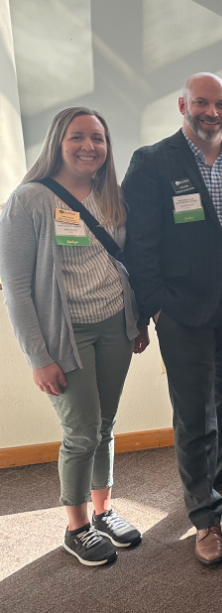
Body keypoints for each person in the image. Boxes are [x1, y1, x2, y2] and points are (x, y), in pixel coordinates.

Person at [0, 107, 149, 567]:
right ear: (57, 143)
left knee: (104, 426)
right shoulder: (29, 200)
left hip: (115, 327)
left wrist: (136, 322)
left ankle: (104, 511)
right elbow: (16, 288)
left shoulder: (112, 197)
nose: (89, 146)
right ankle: (77, 526)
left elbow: (125, 263)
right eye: (77, 137)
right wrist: (37, 356)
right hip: (66, 336)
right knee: (81, 432)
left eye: (98, 138)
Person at [122, 72, 222, 565]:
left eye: (220, 104)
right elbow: (138, 241)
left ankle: (216, 481)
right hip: (181, 309)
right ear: (183, 104)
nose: (212, 112)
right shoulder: (152, 162)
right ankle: (204, 517)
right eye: (202, 102)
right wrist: (155, 304)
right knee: (193, 412)